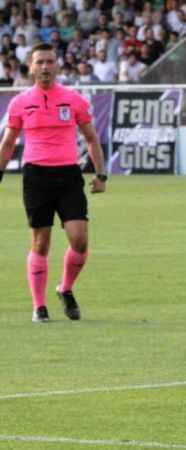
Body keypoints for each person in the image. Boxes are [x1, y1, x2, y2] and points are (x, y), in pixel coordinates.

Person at [0, 42, 107, 323]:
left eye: (50, 62)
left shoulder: (73, 99)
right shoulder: (20, 102)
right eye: (40, 62)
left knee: (80, 241)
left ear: (57, 65)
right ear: (32, 66)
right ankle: (39, 306)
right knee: (41, 242)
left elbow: (92, 138)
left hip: (69, 175)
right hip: (36, 176)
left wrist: (101, 174)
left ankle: (65, 288)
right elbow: (9, 142)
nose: (45, 67)